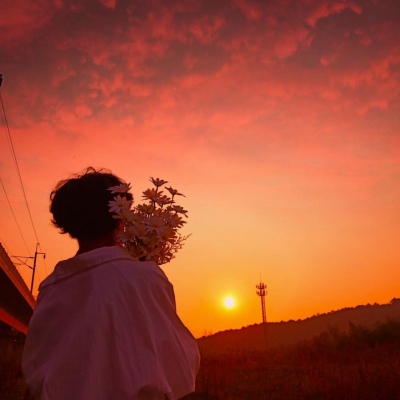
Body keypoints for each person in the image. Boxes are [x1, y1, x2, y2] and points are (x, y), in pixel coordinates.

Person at [22, 167, 199, 400]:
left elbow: (36, 368)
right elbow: (180, 362)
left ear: (67, 223)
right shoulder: (146, 276)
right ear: (120, 219)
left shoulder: (51, 287)